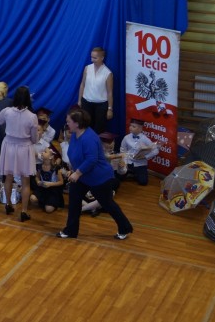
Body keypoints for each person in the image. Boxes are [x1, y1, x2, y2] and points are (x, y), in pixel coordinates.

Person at [58, 108, 134, 240]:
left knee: (107, 203)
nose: (67, 123)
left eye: (69, 121)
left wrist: (77, 173)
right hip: (83, 176)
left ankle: (125, 228)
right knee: (74, 201)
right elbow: (76, 154)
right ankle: (70, 230)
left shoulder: (89, 138)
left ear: (77, 123)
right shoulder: (75, 134)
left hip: (99, 178)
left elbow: (91, 160)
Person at [0, 86, 39, 222]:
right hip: (24, 148)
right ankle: (24, 211)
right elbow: (34, 139)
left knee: (8, 177)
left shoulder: (7, 111)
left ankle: (8, 204)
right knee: (25, 181)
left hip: (9, 145)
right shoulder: (32, 117)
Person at [77, 46, 113, 134]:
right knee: (85, 127)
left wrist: (110, 109)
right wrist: (79, 100)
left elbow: (110, 92)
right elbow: (82, 84)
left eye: (95, 58)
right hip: (86, 102)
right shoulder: (87, 68)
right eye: (91, 57)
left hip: (101, 105)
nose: (92, 60)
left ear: (102, 58)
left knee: (98, 129)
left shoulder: (108, 73)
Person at [119, 118, 159, 185]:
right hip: (129, 161)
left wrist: (145, 156)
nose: (130, 127)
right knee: (119, 177)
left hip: (140, 163)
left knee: (143, 182)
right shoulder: (126, 138)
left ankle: (135, 173)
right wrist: (124, 162)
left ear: (140, 129)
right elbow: (123, 150)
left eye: (133, 126)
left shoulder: (145, 139)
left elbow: (156, 150)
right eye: (130, 125)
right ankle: (130, 172)